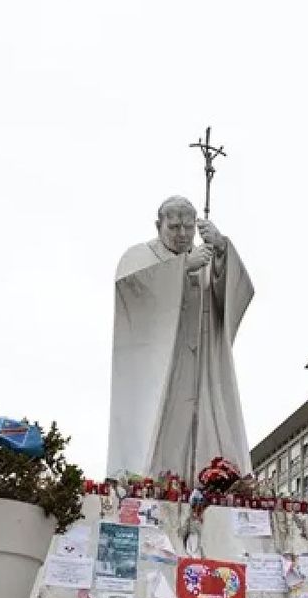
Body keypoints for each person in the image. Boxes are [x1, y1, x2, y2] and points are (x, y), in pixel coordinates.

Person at [107, 196, 254, 480]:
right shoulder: (140, 256)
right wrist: (183, 267)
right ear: (158, 225)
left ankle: (208, 479)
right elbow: (131, 292)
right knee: (162, 427)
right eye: (174, 227)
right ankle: (154, 480)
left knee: (203, 425)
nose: (182, 234)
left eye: (188, 226)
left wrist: (222, 248)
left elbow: (238, 293)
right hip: (162, 365)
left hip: (201, 364)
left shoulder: (206, 256)